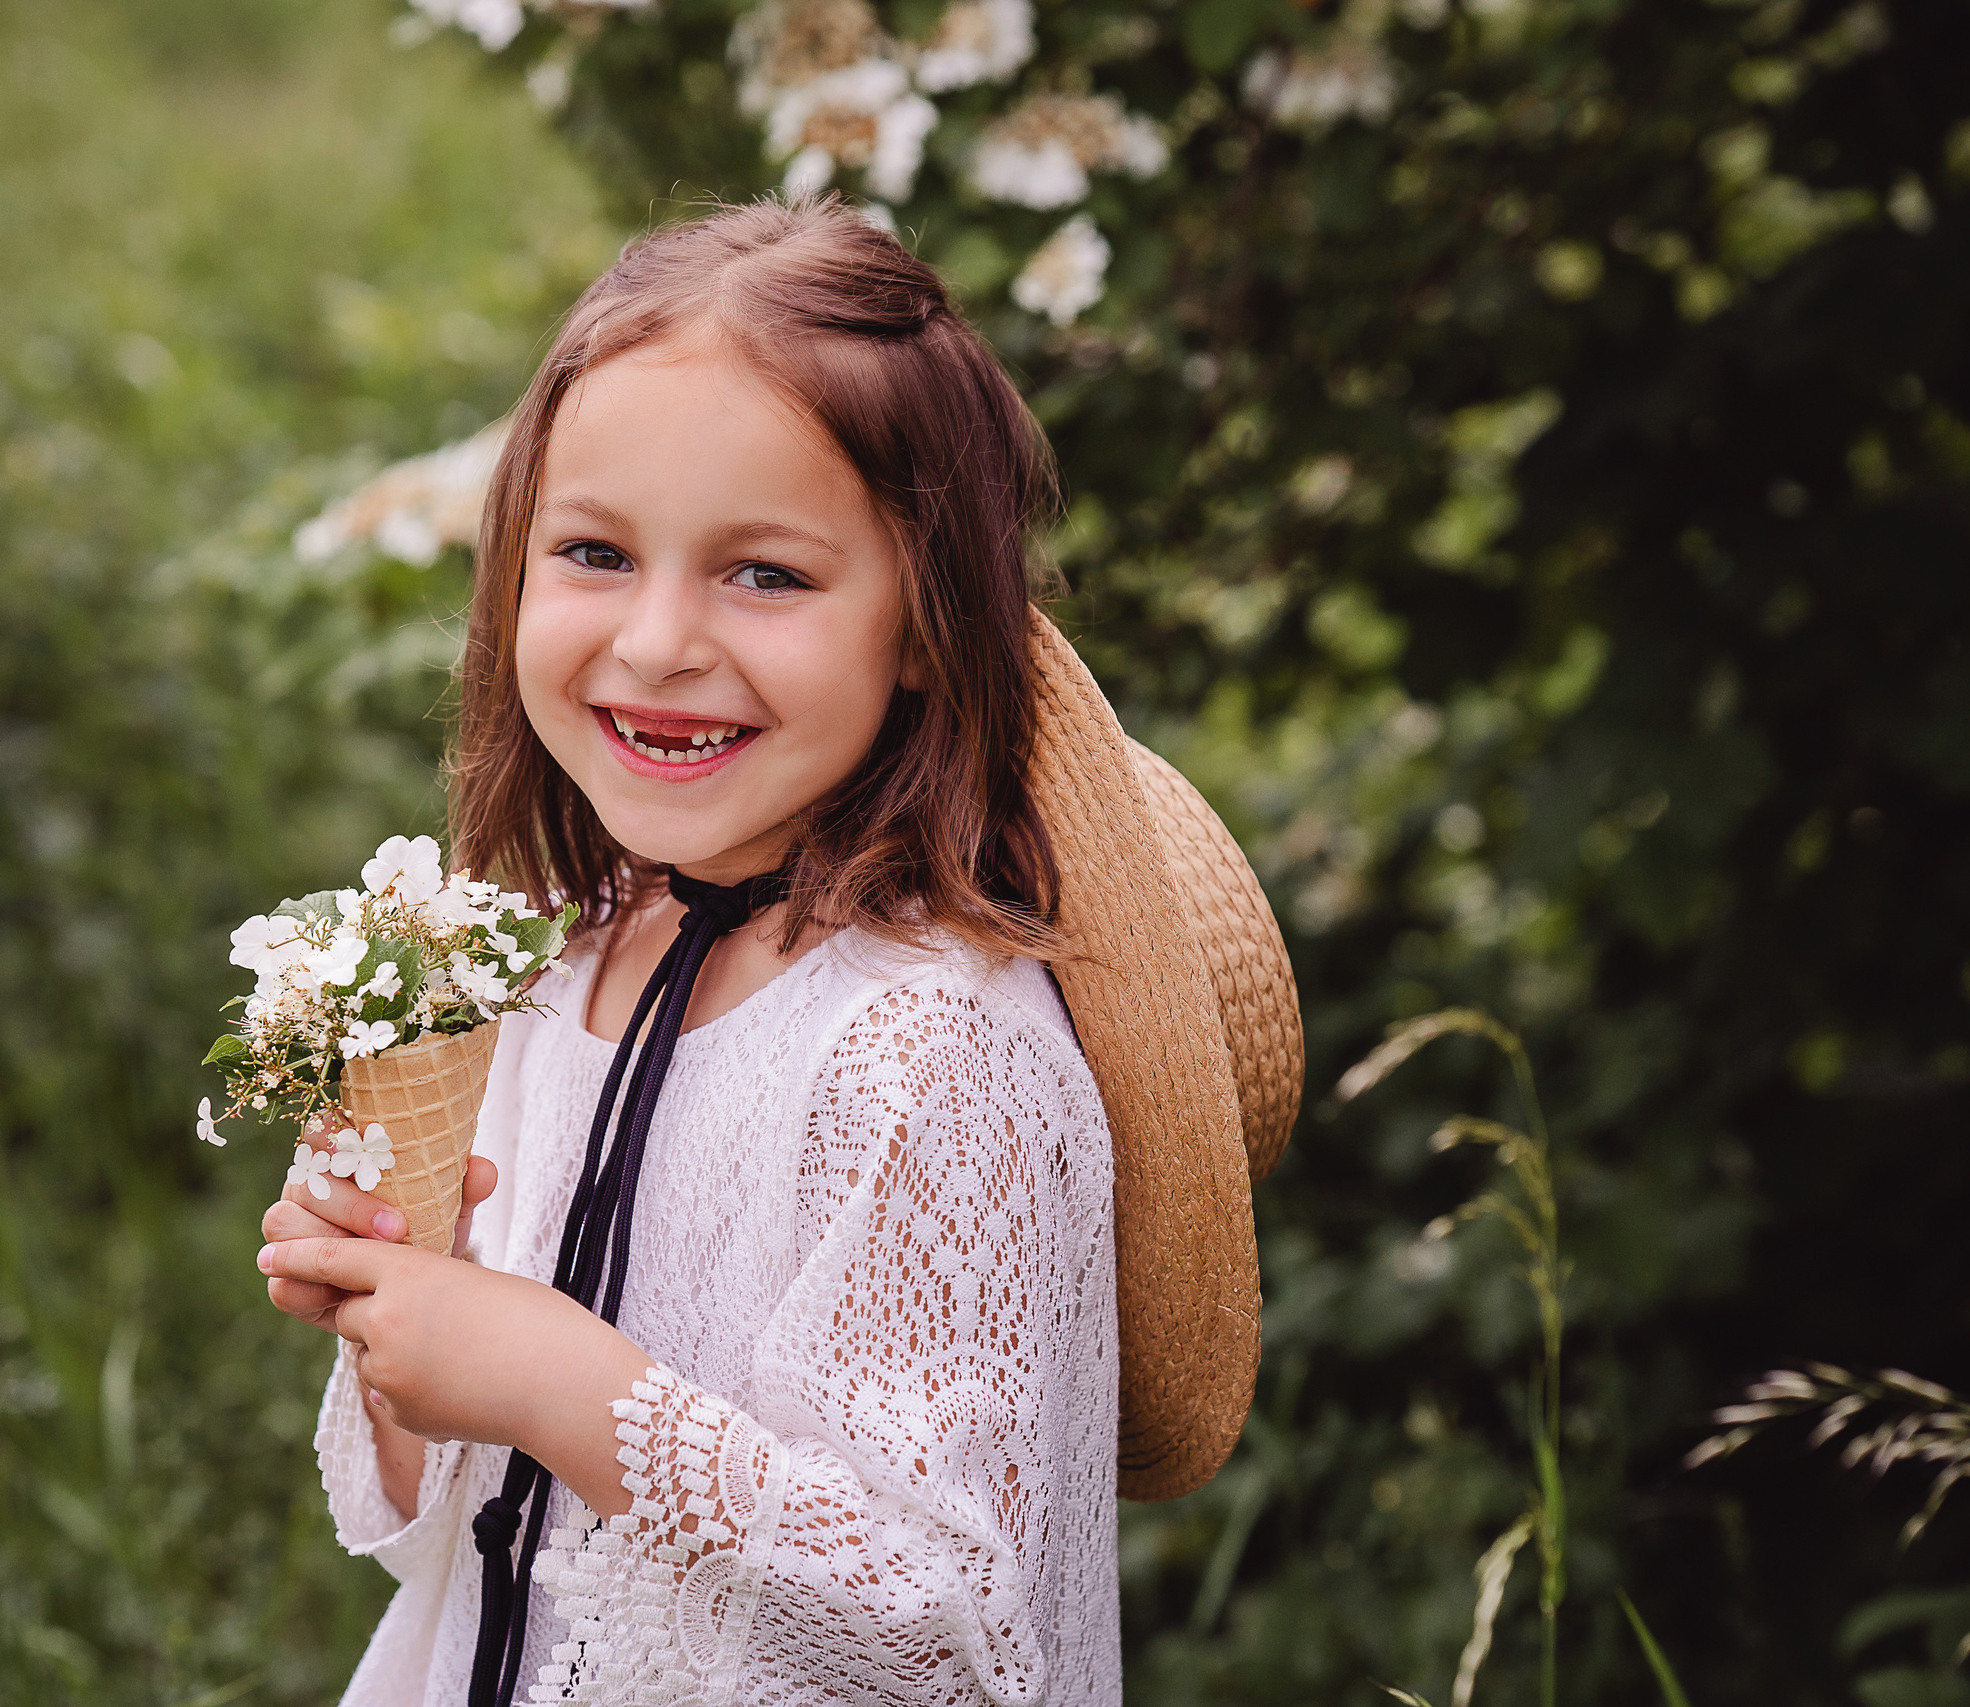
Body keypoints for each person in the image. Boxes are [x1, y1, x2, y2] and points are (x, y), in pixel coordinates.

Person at [252, 196, 1302, 1707]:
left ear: (927, 628)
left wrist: (555, 1378)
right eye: (596, 552)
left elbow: (944, 1635)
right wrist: (403, 1320)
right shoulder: (564, 962)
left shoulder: (932, 1056)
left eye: (767, 575)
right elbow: (480, 1532)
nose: (662, 639)